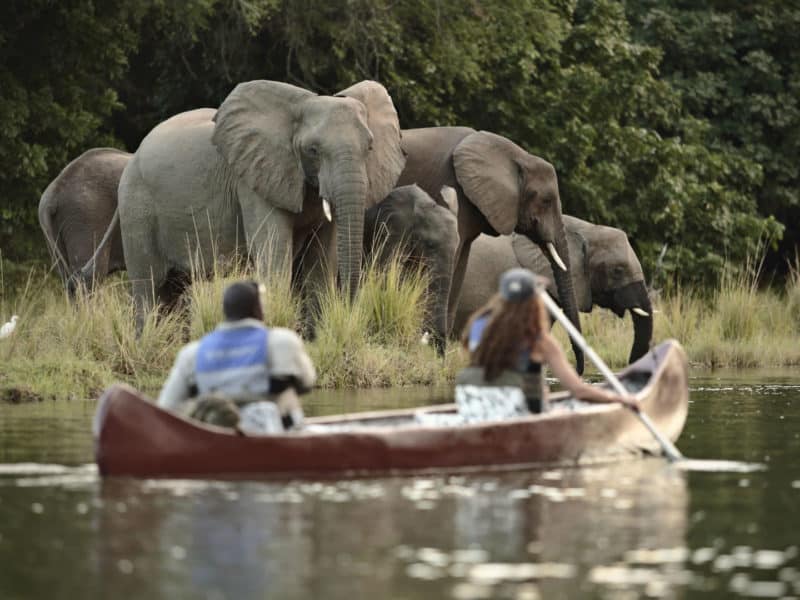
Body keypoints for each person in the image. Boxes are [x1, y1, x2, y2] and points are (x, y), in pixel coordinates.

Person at [455, 267, 636, 422]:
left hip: (470, 402)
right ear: (534, 302)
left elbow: (493, 369)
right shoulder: (539, 340)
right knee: (559, 409)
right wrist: (620, 400)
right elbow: (579, 391)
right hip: (514, 413)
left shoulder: (477, 324)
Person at [158, 281, 316, 433]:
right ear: (258, 309)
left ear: (226, 310)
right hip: (272, 437)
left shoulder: (192, 353)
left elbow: (167, 406)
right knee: (288, 394)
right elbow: (308, 382)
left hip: (214, 438)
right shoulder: (281, 342)